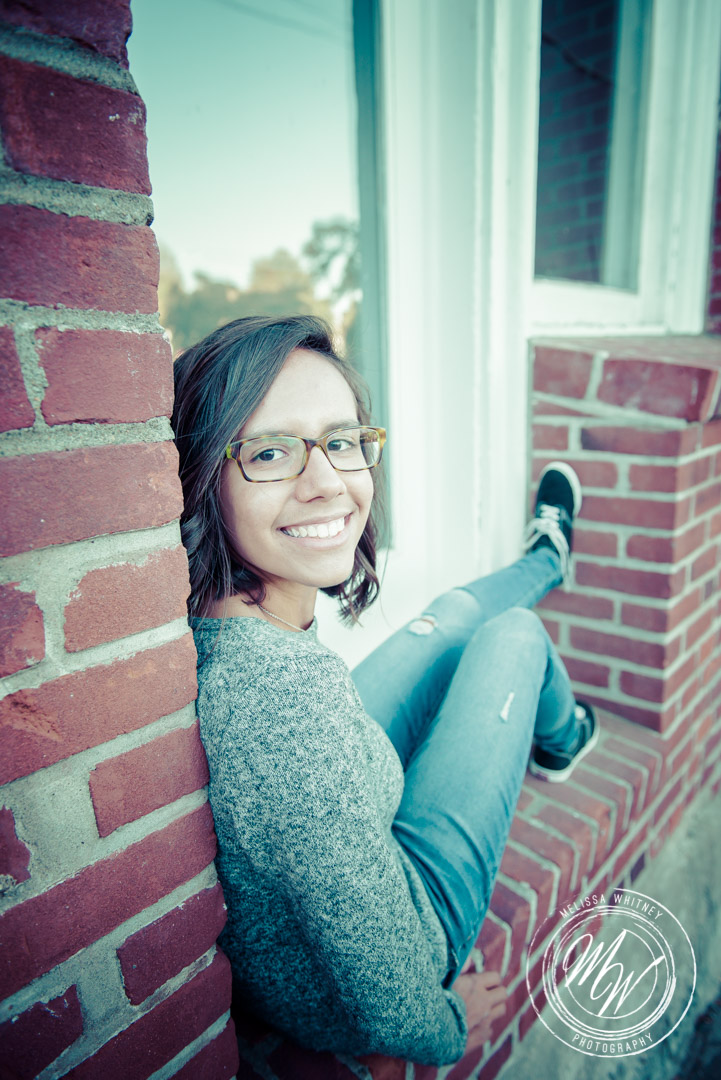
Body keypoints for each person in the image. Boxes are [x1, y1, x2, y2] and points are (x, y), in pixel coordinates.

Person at [171, 314, 599, 1067]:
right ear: (204, 475)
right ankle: (564, 738)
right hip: (417, 913)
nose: (327, 483)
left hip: (349, 794)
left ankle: (546, 558)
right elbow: (392, 997)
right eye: (269, 452)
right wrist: (444, 1027)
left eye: (341, 441)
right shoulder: (288, 717)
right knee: (514, 636)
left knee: (457, 613)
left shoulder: (221, 620)